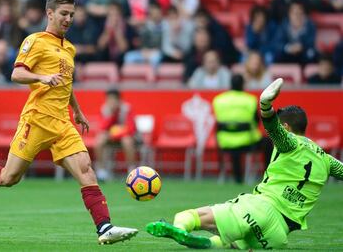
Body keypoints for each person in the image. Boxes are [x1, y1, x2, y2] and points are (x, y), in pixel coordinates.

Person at [0, 0, 138, 245]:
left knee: (86, 169)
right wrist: (41, 78)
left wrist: (76, 109)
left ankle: (104, 227)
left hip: (62, 122)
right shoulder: (35, 41)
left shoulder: (69, 48)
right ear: (50, 13)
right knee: (8, 178)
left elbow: (65, 83)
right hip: (37, 119)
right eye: (64, 14)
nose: (68, 19)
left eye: (72, 15)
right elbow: (17, 73)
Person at [146, 78, 343, 250]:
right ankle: (207, 244)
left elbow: (273, 128)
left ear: (287, 127)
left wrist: (265, 105)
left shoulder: (290, 143)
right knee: (230, 243)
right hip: (279, 234)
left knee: (187, 216)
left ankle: (180, 229)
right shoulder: (325, 158)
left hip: (261, 209)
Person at [212, 74, 263, 183]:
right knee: (268, 142)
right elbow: (257, 121)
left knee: (234, 147)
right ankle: (268, 175)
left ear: (230, 84)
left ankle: (236, 177)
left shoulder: (219, 100)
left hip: (225, 142)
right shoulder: (250, 100)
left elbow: (218, 121)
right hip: (247, 141)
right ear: (243, 84)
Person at [94, 88, 137, 181]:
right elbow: (102, 128)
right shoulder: (105, 109)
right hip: (111, 137)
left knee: (127, 141)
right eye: (108, 99)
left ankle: (132, 171)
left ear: (119, 100)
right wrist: (111, 115)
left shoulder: (127, 109)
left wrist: (115, 134)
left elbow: (131, 129)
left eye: (113, 99)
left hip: (126, 137)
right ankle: (101, 171)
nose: (111, 102)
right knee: (99, 140)